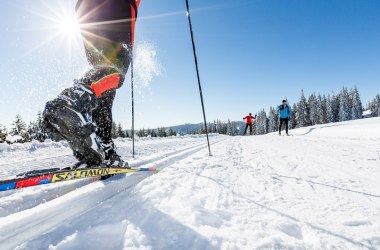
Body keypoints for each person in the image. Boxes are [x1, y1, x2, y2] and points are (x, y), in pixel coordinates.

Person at [43, 0, 141, 168]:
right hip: (117, 6)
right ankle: (74, 99)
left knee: (104, 87)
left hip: (86, 9)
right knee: (117, 65)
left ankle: (104, 148)